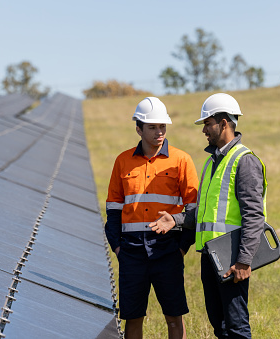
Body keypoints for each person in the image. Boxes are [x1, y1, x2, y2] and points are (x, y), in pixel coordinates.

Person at [149, 93, 267, 339]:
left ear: (224, 123)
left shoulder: (244, 161)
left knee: (236, 327)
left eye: (207, 123)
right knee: (220, 326)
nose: (204, 129)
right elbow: (202, 214)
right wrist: (176, 220)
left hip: (231, 257)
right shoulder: (211, 162)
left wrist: (244, 261)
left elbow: (254, 216)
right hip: (210, 257)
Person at [105, 97, 199, 339]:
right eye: (152, 127)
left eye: (162, 127)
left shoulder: (182, 160)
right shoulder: (122, 161)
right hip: (131, 252)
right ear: (138, 129)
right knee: (133, 317)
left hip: (168, 248)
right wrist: (118, 247)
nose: (159, 132)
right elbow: (113, 209)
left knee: (174, 317)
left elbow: (194, 209)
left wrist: (181, 248)